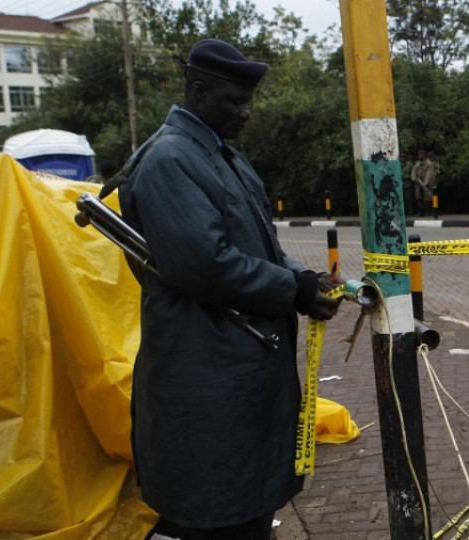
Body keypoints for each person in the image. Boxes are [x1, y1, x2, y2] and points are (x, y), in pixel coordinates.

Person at [117, 38, 342, 539]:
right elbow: (205, 264)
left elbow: (258, 244)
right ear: (198, 92)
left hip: (239, 367)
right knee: (213, 511)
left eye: (248, 100)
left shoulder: (224, 157)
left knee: (246, 507)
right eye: (233, 101)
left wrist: (303, 279)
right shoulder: (170, 159)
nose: (246, 112)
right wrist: (292, 290)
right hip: (207, 373)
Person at [400, 152, 415, 216]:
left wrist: (407, 177)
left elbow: (413, 173)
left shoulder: (409, 164)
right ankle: (404, 212)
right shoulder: (398, 164)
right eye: (401, 157)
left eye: (404, 157)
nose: (403, 159)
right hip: (400, 184)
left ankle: (411, 212)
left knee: (408, 198)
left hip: (408, 183)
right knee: (402, 199)